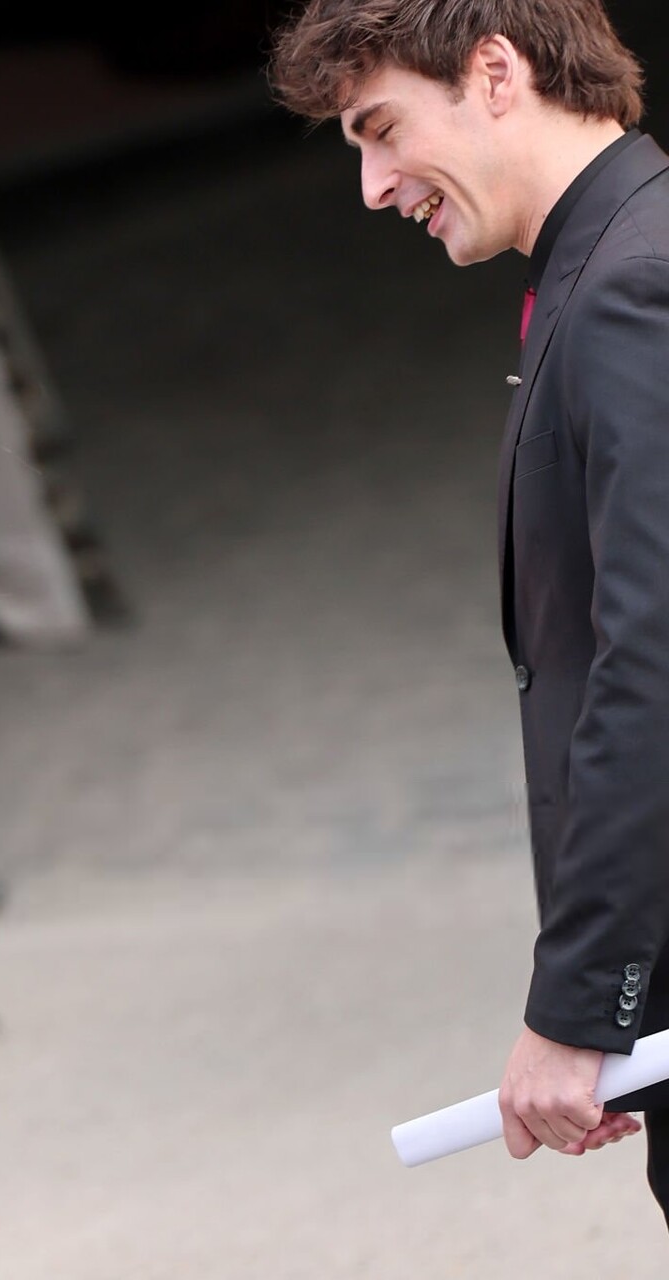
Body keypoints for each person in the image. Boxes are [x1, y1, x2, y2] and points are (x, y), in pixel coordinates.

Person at [272, 0, 669, 1214]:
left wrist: (579, 1009)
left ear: (495, 71)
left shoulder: (632, 286)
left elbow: (652, 666)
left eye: (382, 129)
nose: (373, 186)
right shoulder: (618, 257)